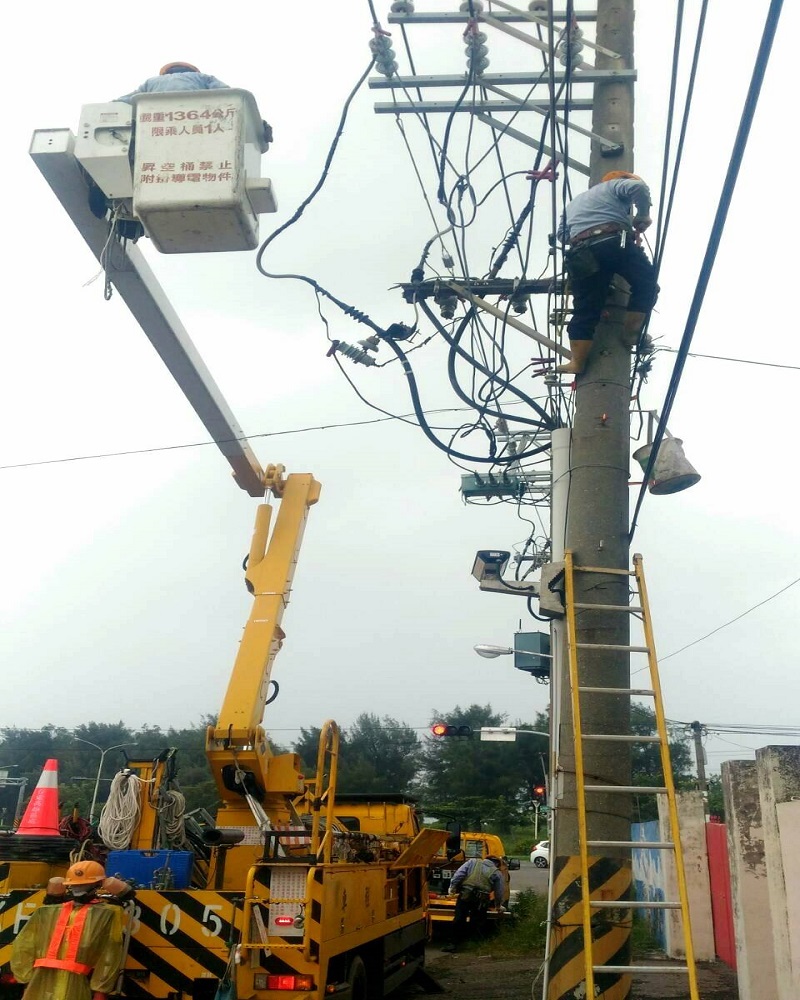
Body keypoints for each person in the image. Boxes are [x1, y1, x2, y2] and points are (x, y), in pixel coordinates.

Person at [555, 170, 659, 375]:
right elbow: (638, 188)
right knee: (647, 284)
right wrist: (642, 214)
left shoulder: (573, 204)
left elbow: (562, 235)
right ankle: (631, 334)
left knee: (585, 308)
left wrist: (585, 234)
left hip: (581, 252)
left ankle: (577, 362)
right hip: (613, 242)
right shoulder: (615, 185)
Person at [11, 861, 127, 1000]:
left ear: (98, 885)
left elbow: (109, 954)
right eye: (76, 885)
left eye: (84, 884)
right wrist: (26, 981)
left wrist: (100, 990)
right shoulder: (47, 912)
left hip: (72, 983)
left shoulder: (105, 914)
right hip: (42, 982)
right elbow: (25, 946)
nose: (78, 889)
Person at [441, 855, 505, 952]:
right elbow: (499, 892)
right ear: (497, 864)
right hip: (481, 900)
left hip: (465, 895)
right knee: (477, 921)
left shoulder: (472, 862)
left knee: (459, 919)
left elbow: (459, 874)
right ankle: (472, 945)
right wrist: (498, 906)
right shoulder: (497, 872)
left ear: (486, 859)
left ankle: (453, 944)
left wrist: (452, 888)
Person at [115, 62, 230, 103]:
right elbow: (226, 93)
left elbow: (129, 98)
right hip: (197, 117)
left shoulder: (151, 82)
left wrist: (113, 102)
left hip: (156, 122)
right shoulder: (201, 77)